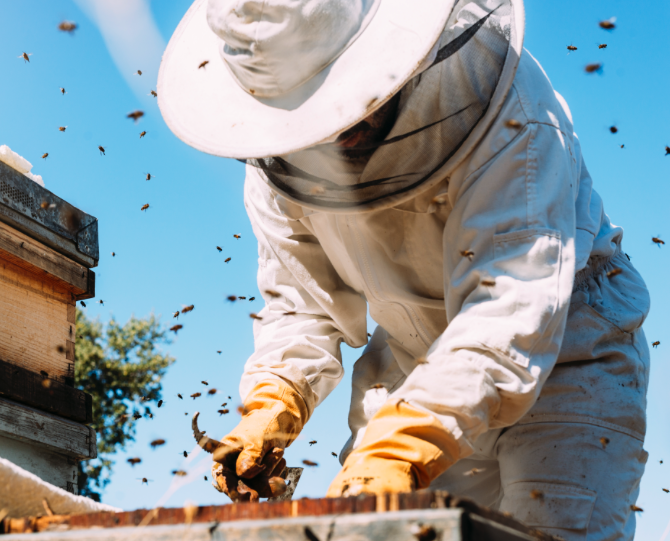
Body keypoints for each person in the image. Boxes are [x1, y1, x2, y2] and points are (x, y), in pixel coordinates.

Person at [158, 0, 650, 539]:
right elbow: (303, 304)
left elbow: (510, 304)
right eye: (304, 102)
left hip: (567, 350)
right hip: (412, 357)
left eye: (333, 92)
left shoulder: (510, 112)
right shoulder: (277, 160)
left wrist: (400, 447)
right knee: (370, 528)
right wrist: (275, 400)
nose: (334, 129)